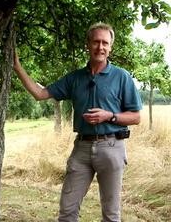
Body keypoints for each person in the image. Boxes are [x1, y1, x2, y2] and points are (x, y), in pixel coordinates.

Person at [13, 22, 142, 222]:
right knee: (67, 211)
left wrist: (109, 116)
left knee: (111, 214)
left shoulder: (122, 77)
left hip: (111, 146)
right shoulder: (74, 78)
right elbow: (40, 94)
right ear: (88, 45)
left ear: (110, 47)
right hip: (81, 148)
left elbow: (136, 117)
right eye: (96, 42)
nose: (100, 47)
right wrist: (17, 67)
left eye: (105, 43)